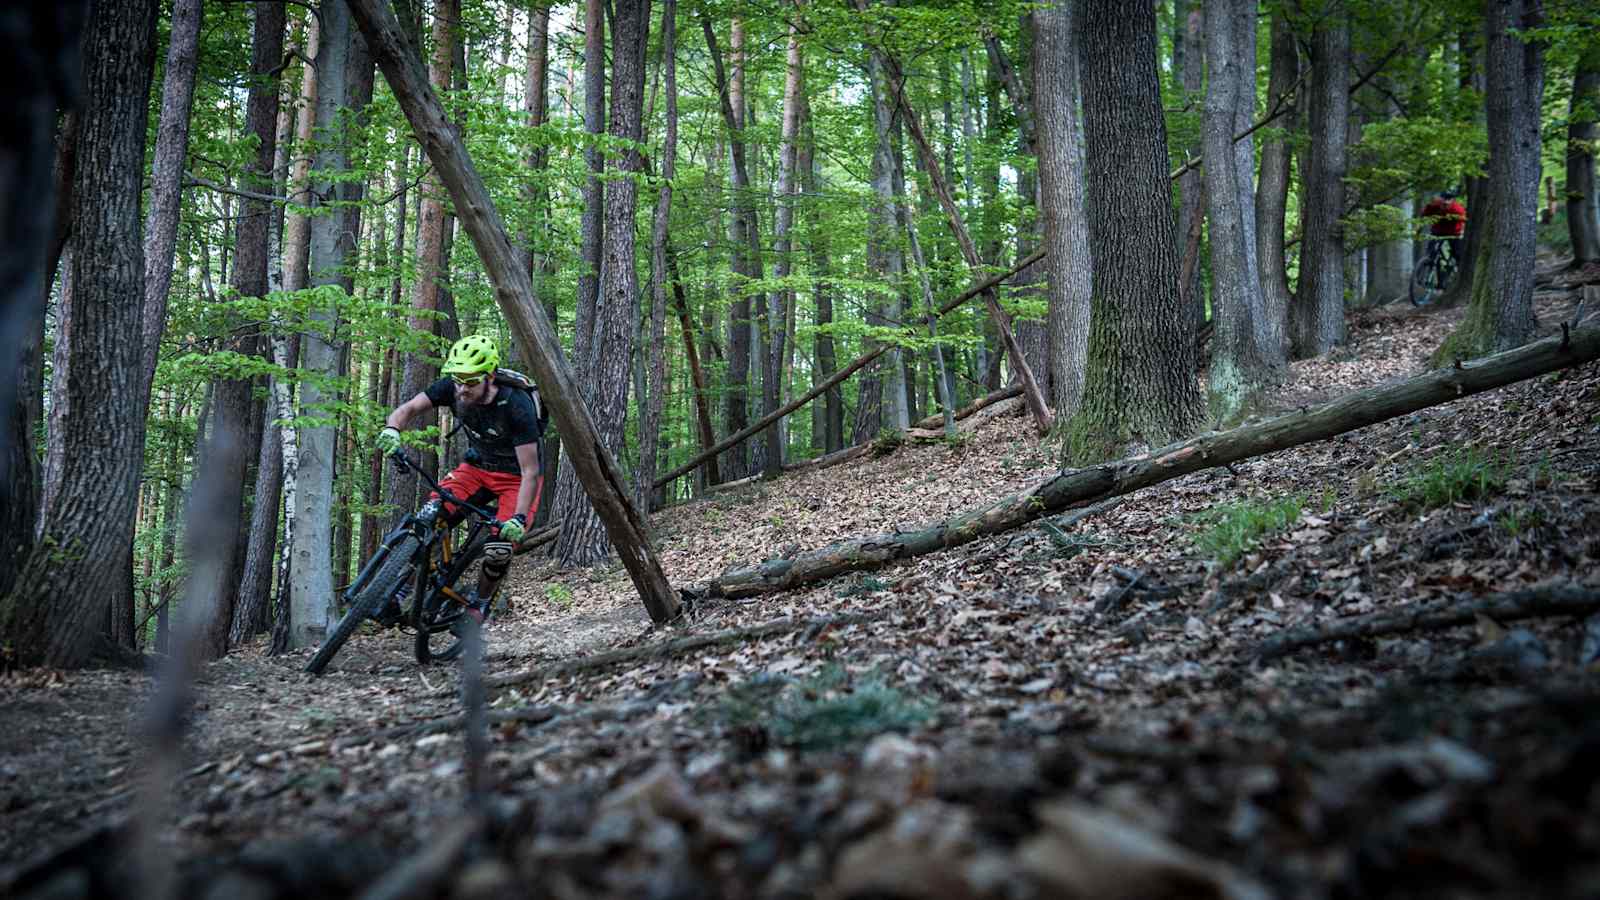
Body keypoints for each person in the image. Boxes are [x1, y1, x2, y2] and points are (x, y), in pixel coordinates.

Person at [375, 334, 544, 624]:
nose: (462, 389)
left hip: (516, 478)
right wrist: (392, 429)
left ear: (489, 377)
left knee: (500, 547)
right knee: (429, 518)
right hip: (477, 468)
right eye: (457, 379)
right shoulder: (451, 388)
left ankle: (479, 604)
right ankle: (400, 589)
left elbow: (530, 471)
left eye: (470, 381)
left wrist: (517, 519)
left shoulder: (516, 405)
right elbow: (409, 409)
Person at [1420, 189, 1467, 267]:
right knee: (1431, 253)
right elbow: (1423, 217)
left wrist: (1462, 233)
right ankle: (1428, 269)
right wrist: (1418, 230)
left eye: (1449, 199)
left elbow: (1465, 221)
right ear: (1440, 198)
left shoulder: (1457, 210)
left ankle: (1459, 269)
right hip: (1437, 231)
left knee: (1458, 254)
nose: (1446, 202)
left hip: (1453, 233)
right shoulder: (1434, 205)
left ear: (1453, 200)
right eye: (1444, 199)